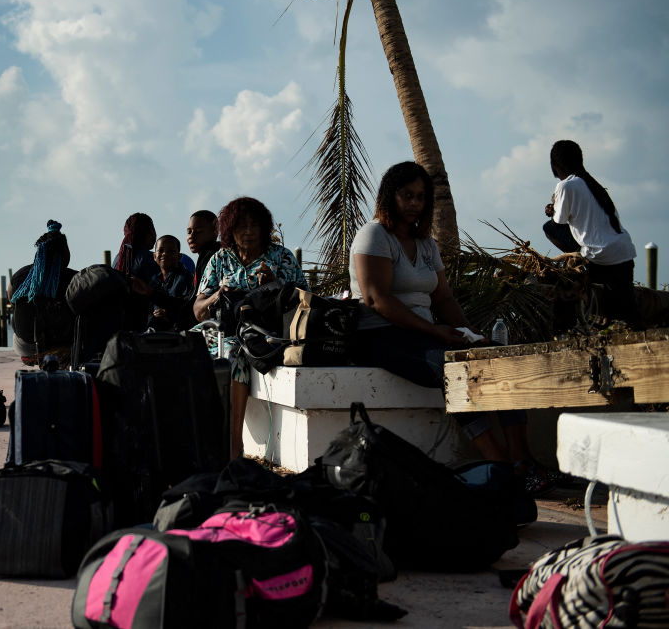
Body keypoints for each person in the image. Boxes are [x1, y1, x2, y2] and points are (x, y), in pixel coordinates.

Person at [350, 162, 558, 493]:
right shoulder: (374, 235)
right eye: (407, 195)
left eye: (420, 197)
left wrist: (471, 336)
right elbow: (377, 299)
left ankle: (522, 461)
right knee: (452, 369)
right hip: (382, 335)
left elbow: (444, 299)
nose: (414, 203)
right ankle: (499, 465)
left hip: (421, 333)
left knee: (497, 359)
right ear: (390, 196)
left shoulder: (426, 244)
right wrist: (435, 332)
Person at [194, 197, 307, 459]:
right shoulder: (220, 259)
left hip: (262, 335)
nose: (248, 231)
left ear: (264, 228)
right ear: (229, 229)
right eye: (241, 225)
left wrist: (274, 286)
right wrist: (218, 295)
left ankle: (234, 446)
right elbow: (198, 309)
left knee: (234, 356)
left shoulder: (281, 257)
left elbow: (305, 301)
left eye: (254, 225)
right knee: (182, 348)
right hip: (221, 332)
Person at [543, 139, 639, 328]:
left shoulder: (565, 185)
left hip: (600, 256)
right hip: (624, 252)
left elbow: (558, 221)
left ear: (555, 167)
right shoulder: (592, 183)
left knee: (549, 227)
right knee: (628, 313)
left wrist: (553, 207)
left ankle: (580, 259)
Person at [8, 220, 77, 367]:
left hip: (27, 347)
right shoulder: (75, 279)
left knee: (17, 313)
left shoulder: (20, 276)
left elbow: (12, 299)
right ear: (64, 252)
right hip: (64, 346)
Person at [139, 235, 195, 331]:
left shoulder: (185, 278)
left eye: (171, 251)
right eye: (160, 251)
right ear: (154, 256)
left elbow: (188, 308)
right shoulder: (154, 280)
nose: (165, 254)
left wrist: (168, 315)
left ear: (179, 256)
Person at [113, 212, 161, 284]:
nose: (155, 235)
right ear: (148, 234)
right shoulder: (150, 258)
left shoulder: (118, 258)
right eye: (153, 231)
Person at [186, 210, 220, 289]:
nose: (191, 236)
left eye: (198, 231)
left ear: (215, 231)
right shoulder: (203, 257)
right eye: (189, 232)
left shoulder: (215, 256)